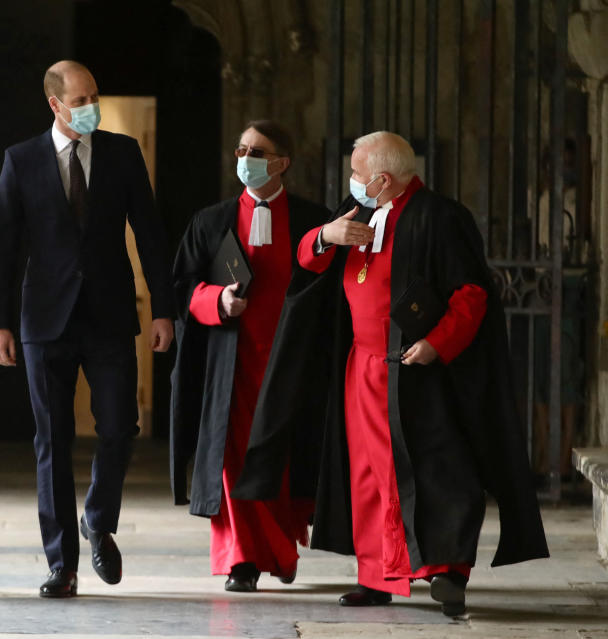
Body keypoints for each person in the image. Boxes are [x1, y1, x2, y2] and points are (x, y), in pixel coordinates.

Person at [235, 131, 548, 615]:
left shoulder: (440, 218)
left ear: (381, 179)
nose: (352, 182)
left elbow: (472, 295)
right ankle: (377, 576)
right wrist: (325, 235)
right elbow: (305, 261)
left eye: (358, 174)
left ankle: (446, 572)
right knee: (366, 474)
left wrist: (436, 344)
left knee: (439, 470)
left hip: (419, 370)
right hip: (361, 366)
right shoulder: (355, 211)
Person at [0, 60, 175, 598]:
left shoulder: (122, 152)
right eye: (81, 98)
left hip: (110, 314)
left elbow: (150, 234)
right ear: (56, 104)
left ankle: (98, 517)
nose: (91, 104)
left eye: (95, 95)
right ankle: (61, 564)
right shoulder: (20, 161)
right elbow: (2, 250)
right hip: (43, 321)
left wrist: (164, 308)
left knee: (119, 425)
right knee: (53, 439)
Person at [170, 121, 328, 591]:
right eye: (240, 148)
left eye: (256, 151)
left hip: (291, 362)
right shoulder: (210, 221)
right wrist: (216, 302)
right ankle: (239, 559)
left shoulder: (312, 221)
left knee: (281, 456)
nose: (245, 157)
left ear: (281, 163)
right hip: (231, 362)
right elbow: (181, 291)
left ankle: (279, 551)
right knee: (232, 457)